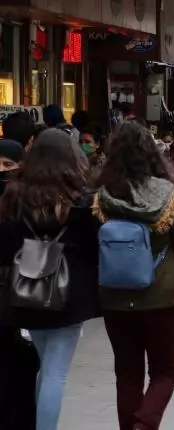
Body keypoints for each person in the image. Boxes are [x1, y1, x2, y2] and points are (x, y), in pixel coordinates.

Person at [93, 121, 174, 430]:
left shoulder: (103, 194)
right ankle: (144, 425)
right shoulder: (168, 195)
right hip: (160, 299)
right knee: (164, 372)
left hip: (115, 299)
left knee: (127, 374)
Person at [0, 129, 101, 430]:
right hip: (70, 293)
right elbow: (96, 245)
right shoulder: (82, 200)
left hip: (28, 286)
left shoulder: (14, 195)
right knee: (56, 371)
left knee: (47, 365)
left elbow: (5, 245)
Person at [0, 138, 38, 430]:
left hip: (19, 296)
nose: (2, 171)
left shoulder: (29, 203)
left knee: (21, 369)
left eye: (8, 165)